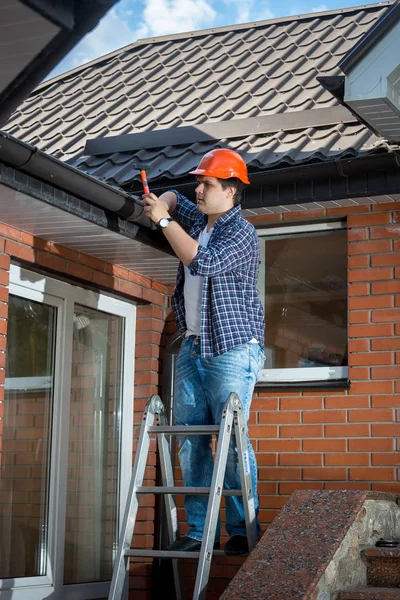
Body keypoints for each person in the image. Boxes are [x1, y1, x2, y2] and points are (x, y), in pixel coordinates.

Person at [143, 148, 265, 556]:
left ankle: (242, 530)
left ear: (231, 191)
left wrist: (162, 219)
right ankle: (200, 532)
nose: (199, 189)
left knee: (231, 440)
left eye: (207, 184)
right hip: (194, 344)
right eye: (200, 182)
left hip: (232, 348)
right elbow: (178, 196)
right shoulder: (201, 219)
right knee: (190, 439)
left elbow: (203, 263)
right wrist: (168, 203)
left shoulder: (241, 232)